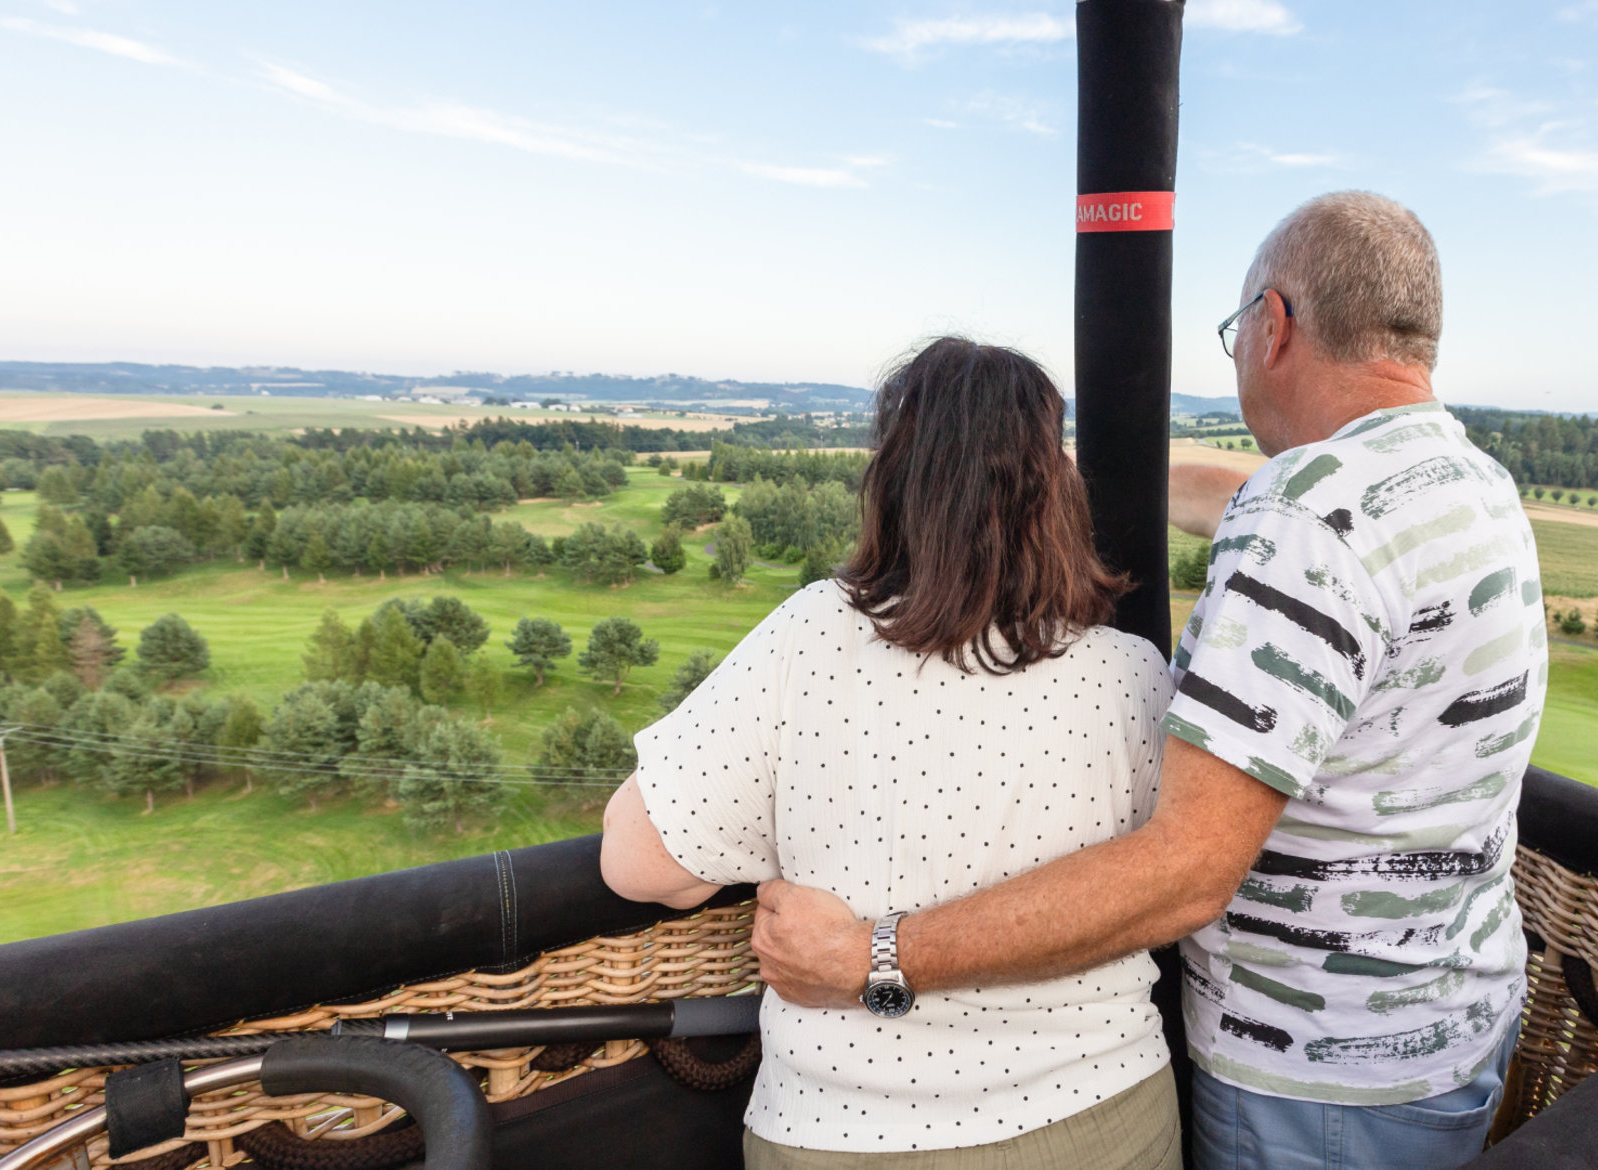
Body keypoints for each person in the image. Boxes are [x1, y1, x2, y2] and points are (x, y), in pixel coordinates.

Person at [753, 191, 1546, 1170]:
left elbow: (1187, 873)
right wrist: (1040, 477)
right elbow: (1297, 527)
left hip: (1314, 1076)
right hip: (1450, 1026)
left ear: (1273, 326)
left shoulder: (1302, 519)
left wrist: (872, 956)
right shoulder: (1461, 481)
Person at [598, 337, 1181, 1170]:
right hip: (1105, 1114)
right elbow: (1162, 876)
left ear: (896, 482)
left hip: (846, 1131)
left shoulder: (811, 635)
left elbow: (640, 866)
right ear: (1057, 492)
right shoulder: (1130, 674)